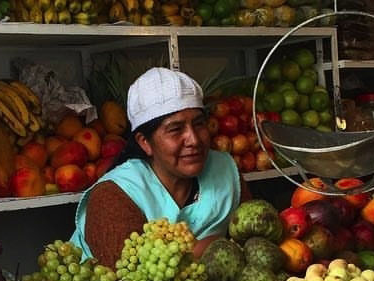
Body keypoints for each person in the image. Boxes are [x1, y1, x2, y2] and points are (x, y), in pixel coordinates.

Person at [70, 67, 249, 267]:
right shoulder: (113, 196)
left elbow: (254, 239)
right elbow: (131, 280)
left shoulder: (225, 170)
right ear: (144, 142)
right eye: (176, 129)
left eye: (199, 124)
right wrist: (207, 248)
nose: (194, 140)